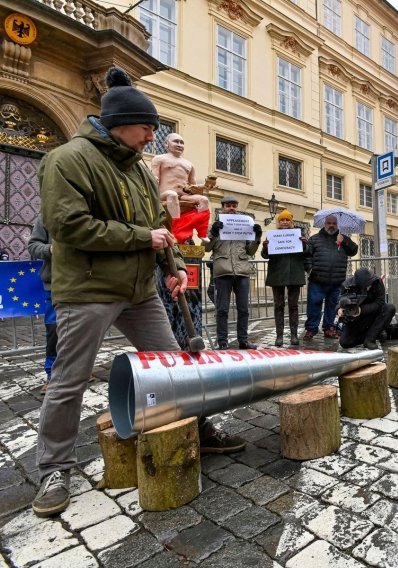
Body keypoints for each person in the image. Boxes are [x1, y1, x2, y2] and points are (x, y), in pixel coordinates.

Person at [33, 67, 244, 519]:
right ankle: (55, 469)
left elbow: (162, 227)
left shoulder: (141, 172)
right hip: (87, 289)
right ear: (119, 123)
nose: (153, 134)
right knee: (69, 379)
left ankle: (198, 426)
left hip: (139, 290)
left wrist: (175, 269)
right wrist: (140, 239)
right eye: (147, 126)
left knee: (174, 366)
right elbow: (68, 227)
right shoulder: (67, 160)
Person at [206, 195, 260, 349]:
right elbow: (207, 248)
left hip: (242, 271)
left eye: (234, 206)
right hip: (223, 272)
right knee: (222, 309)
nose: (231, 208)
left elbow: (250, 251)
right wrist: (214, 234)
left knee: (243, 309)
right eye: (228, 205)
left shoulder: (244, 225)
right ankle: (222, 342)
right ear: (222, 207)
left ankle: (243, 340)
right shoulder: (213, 226)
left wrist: (257, 238)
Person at [303, 215, 358, 341]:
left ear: (337, 225)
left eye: (334, 223)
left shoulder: (342, 238)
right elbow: (307, 256)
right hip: (317, 279)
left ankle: (329, 327)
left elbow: (354, 250)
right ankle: (311, 329)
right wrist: (310, 269)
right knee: (313, 305)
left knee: (332, 306)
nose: (331, 225)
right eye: (329, 223)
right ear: (324, 224)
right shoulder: (315, 239)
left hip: (337, 281)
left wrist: (344, 240)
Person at [260, 210, 307, 346]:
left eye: (287, 220)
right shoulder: (272, 236)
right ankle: (279, 336)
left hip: (294, 274)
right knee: (278, 306)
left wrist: (304, 244)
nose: (285, 222)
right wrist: (265, 248)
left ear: (291, 222)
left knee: (293, 306)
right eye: (282, 220)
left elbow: (308, 252)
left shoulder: (298, 235)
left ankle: (293, 335)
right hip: (277, 274)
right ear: (279, 222)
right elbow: (265, 255)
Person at [149, 132, 210, 220]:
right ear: (167, 144)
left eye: (182, 142)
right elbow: (154, 178)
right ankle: (176, 225)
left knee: (204, 200)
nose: (179, 145)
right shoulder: (159, 159)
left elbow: (193, 186)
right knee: (172, 194)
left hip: (184, 195)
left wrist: (205, 186)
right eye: (176, 141)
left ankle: (200, 229)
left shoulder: (189, 164)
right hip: (164, 194)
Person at [27, 215, 56, 393]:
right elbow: (33, 246)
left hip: (84, 285)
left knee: (83, 332)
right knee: (55, 330)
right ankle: (52, 375)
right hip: (55, 285)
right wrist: (50, 249)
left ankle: (80, 371)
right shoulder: (45, 217)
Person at [337, 268, 396, 350]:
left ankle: (370, 339)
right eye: (366, 286)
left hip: (372, 314)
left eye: (369, 284)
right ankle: (376, 334)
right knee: (345, 342)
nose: (369, 287)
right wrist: (339, 310)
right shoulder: (347, 285)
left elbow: (380, 303)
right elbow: (338, 301)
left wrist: (361, 310)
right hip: (355, 319)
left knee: (389, 308)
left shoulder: (377, 282)